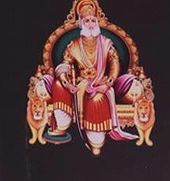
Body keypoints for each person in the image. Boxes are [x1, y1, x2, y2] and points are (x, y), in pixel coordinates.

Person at [46, 0, 137, 154]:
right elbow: (65, 64)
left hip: (101, 84)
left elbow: (115, 65)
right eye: (86, 20)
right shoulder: (74, 44)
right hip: (79, 83)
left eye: (93, 20)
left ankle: (96, 140)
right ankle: (61, 127)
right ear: (81, 23)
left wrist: (107, 84)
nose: (90, 23)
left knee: (96, 100)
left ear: (97, 22)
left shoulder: (106, 44)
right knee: (58, 86)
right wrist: (66, 82)